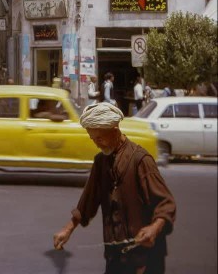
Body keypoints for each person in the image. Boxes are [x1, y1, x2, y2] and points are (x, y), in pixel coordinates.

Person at [53, 102, 176, 274]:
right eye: (93, 139)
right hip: (116, 255)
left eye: (100, 138)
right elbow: (88, 201)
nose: (96, 143)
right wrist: (68, 229)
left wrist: (154, 229)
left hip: (144, 256)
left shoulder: (141, 160)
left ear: (115, 129)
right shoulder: (101, 162)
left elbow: (166, 204)